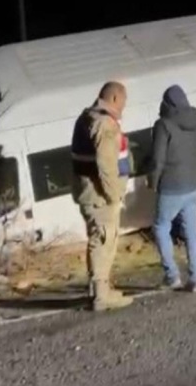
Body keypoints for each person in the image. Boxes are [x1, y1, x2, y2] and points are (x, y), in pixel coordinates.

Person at [70, 81, 135, 311]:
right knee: (104, 240)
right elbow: (106, 164)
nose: (124, 108)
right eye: (124, 102)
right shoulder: (104, 123)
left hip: (87, 191)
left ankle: (98, 289)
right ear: (115, 99)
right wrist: (114, 194)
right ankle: (101, 295)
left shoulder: (85, 117)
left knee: (97, 239)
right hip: (100, 196)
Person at [147, 84, 196, 292]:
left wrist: (152, 182)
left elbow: (157, 160)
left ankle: (172, 275)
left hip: (170, 187)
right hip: (194, 186)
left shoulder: (163, 125)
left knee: (160, 227)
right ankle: (195, 280)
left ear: (167, 104)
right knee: (191, 232)